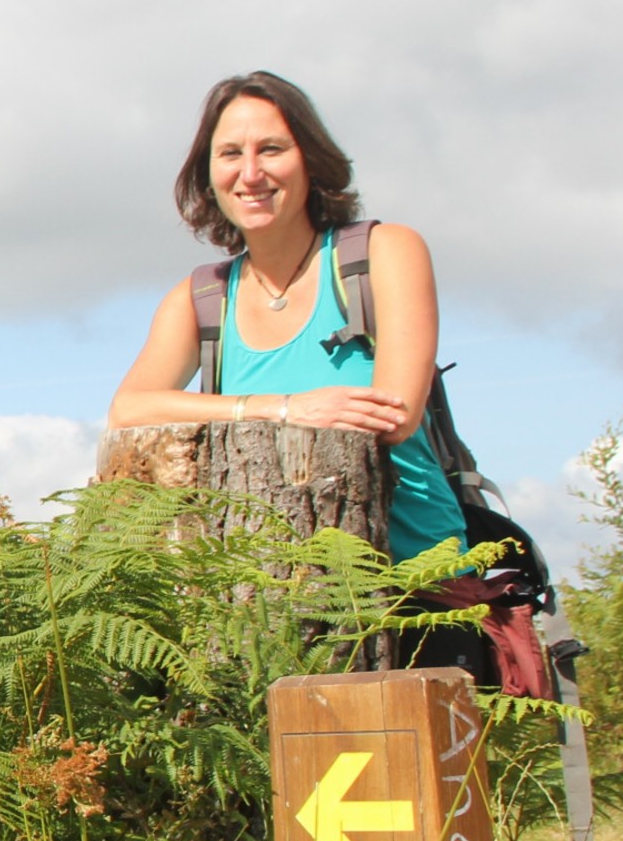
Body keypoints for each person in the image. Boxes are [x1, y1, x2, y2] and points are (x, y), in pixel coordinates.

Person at [108, 70, 467, 567]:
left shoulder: (383, 253)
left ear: (312, 162)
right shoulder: (200, 299)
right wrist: (284, 409)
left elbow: (395, 417)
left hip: (420, 588)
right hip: (260, 597)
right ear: (209, 175)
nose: (250, 173)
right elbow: (128, 409)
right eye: (231, 154)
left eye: (272, 150)